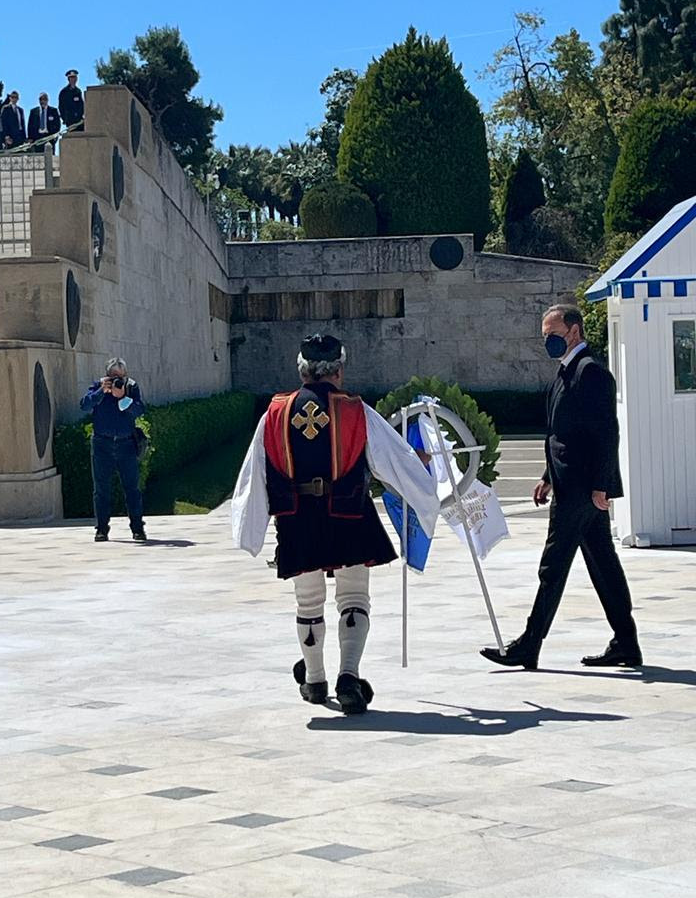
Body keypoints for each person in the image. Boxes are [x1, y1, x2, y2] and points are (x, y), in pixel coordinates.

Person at [232, 333, 440, 714]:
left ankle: (314, 680)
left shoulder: (274, 413)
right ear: (339, 371)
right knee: (354, 597)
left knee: (308, 600)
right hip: (348, 513)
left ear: (302, 371)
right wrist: (422, 480)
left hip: (297, 518)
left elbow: (254, 474)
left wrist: (250, 530)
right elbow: (393, 459)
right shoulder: (355, 411)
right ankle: (349, 676)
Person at [480, 305, 642, 670]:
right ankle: (626, 642)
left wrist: (601, 486)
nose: (548, 341)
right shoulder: (565, 372)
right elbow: (561, 434)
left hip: (582, 489)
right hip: (568, 484)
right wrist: (547, 476)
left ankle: (528, 644)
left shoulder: (591, 372)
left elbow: (606, 434)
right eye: (544, 336)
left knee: (553, 566)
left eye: (553, 334)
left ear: (574, 331)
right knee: (603, 565)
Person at [80, 357, 147, 543]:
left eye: (120, 377)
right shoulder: (99, 386)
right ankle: (101, 529)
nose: (117, 380)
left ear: (125, 376)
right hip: (102, 444)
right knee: (101, 489)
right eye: (113, 377)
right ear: (107, 375)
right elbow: (84, 405)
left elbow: (140, 410)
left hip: (126, 444)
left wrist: (123, 398)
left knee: (132, 489)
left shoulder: (131, 387)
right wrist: (101, 391)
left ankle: (137, 529)